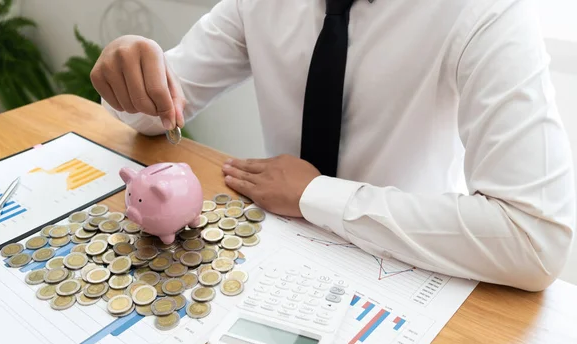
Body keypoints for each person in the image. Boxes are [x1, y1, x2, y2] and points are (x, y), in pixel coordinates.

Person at [91, 0, 576, 292]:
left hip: (413, 267)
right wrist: (131, 69)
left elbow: (536, 238)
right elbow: (158, 112)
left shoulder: (486, 12)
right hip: (273, 260)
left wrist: (315, 194)